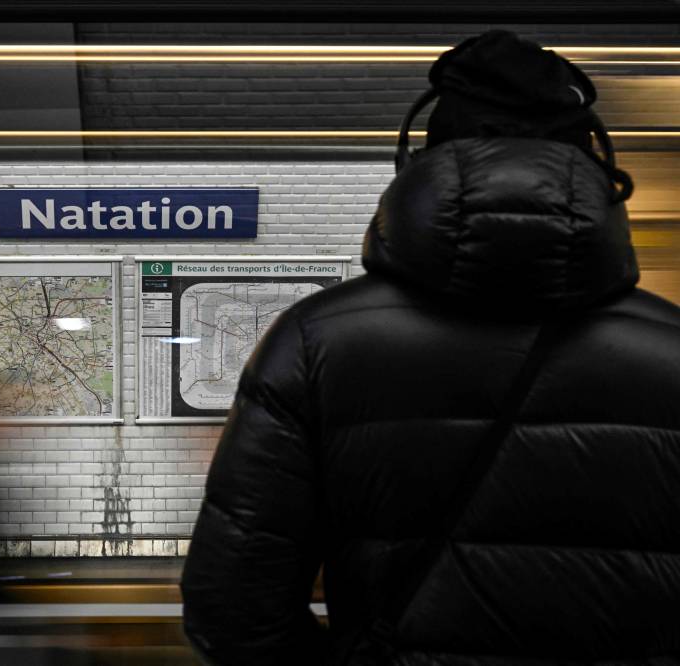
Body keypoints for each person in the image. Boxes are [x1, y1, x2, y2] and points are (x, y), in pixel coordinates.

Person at [181, 30, 680, 665]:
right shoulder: (672, 351)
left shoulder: (315, 342)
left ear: (418, 164)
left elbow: (233, 609)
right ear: (599, 172)